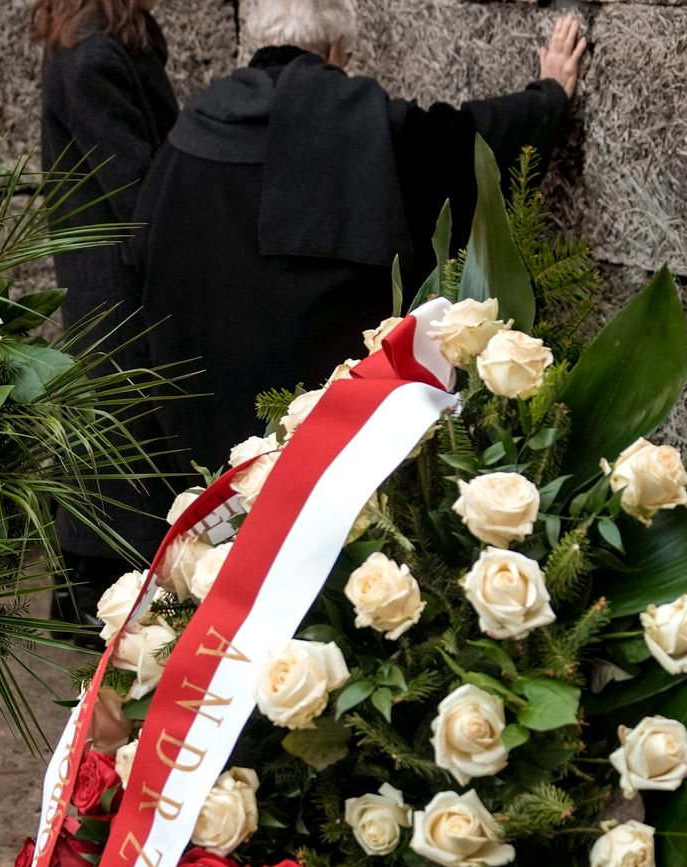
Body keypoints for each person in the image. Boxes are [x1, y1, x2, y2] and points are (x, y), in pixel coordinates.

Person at [124, 0, 587, 484]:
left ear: (255, 38)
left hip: (201, 430)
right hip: (326, 441)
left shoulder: (192, 128)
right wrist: (549, 95)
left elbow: (141, 253)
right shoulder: (363, 125)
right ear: (337, 47)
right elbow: (464, 143)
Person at [34, 0, 179, 621]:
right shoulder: (92, 58)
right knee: (123, 435)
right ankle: (93, 601)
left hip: (114, 270)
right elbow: (135, 186)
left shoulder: (108, 43)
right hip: (116, 277)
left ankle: (96, 594)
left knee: (119, 434)